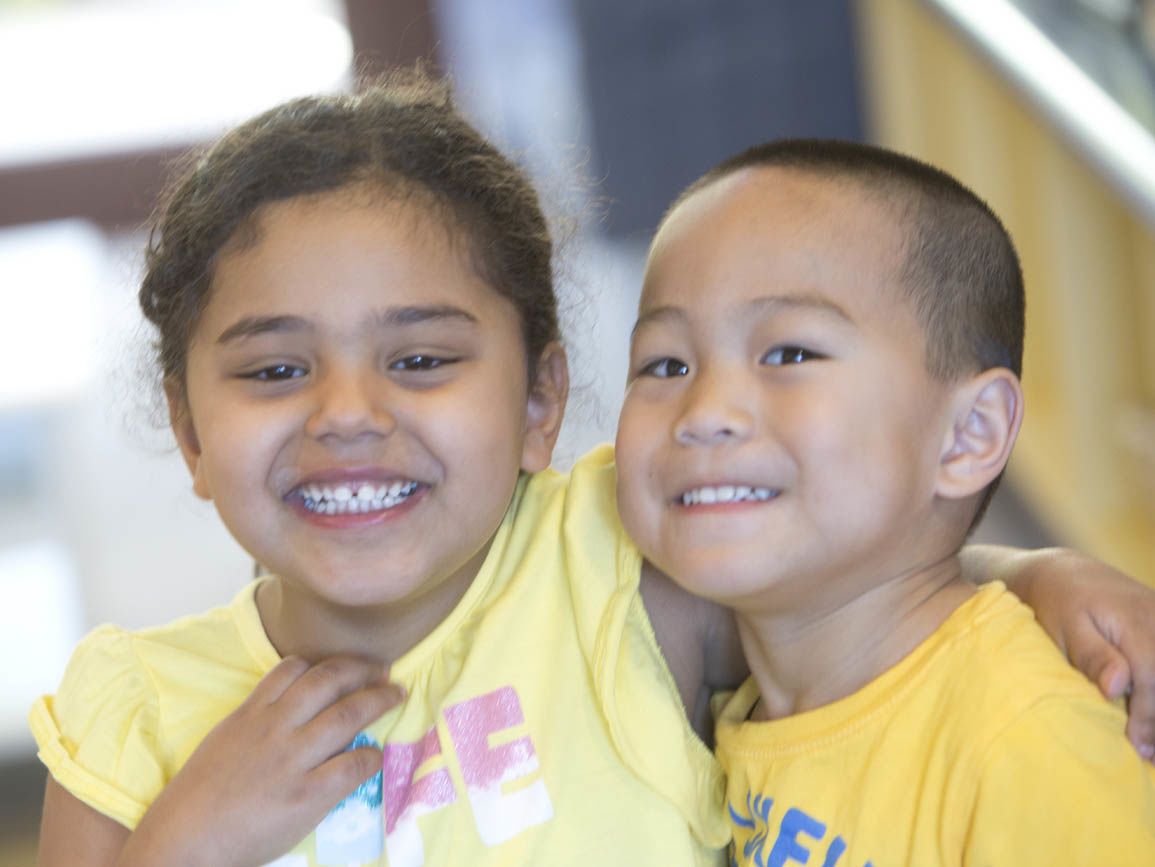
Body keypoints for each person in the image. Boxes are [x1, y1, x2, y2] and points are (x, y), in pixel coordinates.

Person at [28, 74, 1155, 867]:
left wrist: (1032, 574)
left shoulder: (615, 564)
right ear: (187, 431)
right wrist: (187, 845)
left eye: (419, 359)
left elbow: (841, 565)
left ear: (539, 404)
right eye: (274, 371)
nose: (348, 415)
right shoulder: (128, 713)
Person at [614, 139, 1155, 865]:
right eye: (665, 363)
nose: (703, 409)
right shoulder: (745, 698)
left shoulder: (1022, 740)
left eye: (789, 353)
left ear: (968, 434)